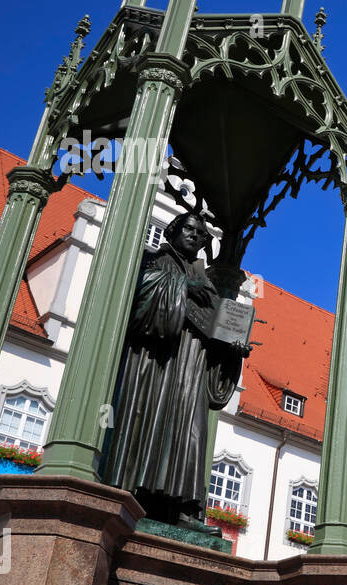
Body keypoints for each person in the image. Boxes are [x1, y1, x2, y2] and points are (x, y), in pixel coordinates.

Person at [99, 212, 251, 531]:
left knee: (191, 431)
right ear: (174, 231)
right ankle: (131, 495)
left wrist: (232, 348)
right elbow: (137, 301)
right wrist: (182, 287)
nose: (196, 237)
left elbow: (216, 323)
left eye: (203, 235)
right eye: (190, 230)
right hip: (156, 362)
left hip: (193, 363)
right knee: (146, 422)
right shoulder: (154, 259)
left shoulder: (205, 277)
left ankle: (181, 508)